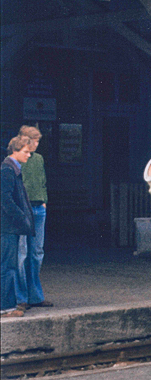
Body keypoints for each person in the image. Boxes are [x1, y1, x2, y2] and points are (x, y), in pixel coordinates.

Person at [16, 126, 52, 310]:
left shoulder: (38, 159)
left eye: (38, 141)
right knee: (22, 254)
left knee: (36, 253)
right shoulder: (17, 159)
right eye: (33, 140)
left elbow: (42, 180)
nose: (36, 144)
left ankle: (35, 296)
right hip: (24, 209)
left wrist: (44, 199)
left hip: (38, 208)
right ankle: (21, 297)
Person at [1, 136, 35, 318]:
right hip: (8, 227)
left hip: (10, 227)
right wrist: (21, 217)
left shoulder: (13, 169)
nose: (29, 155)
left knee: (10, 265)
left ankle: (8, 304)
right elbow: (5, 199)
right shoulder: (8, 170)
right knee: (7, 266)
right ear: (15, 151)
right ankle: (5, 307)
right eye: (26, 152)